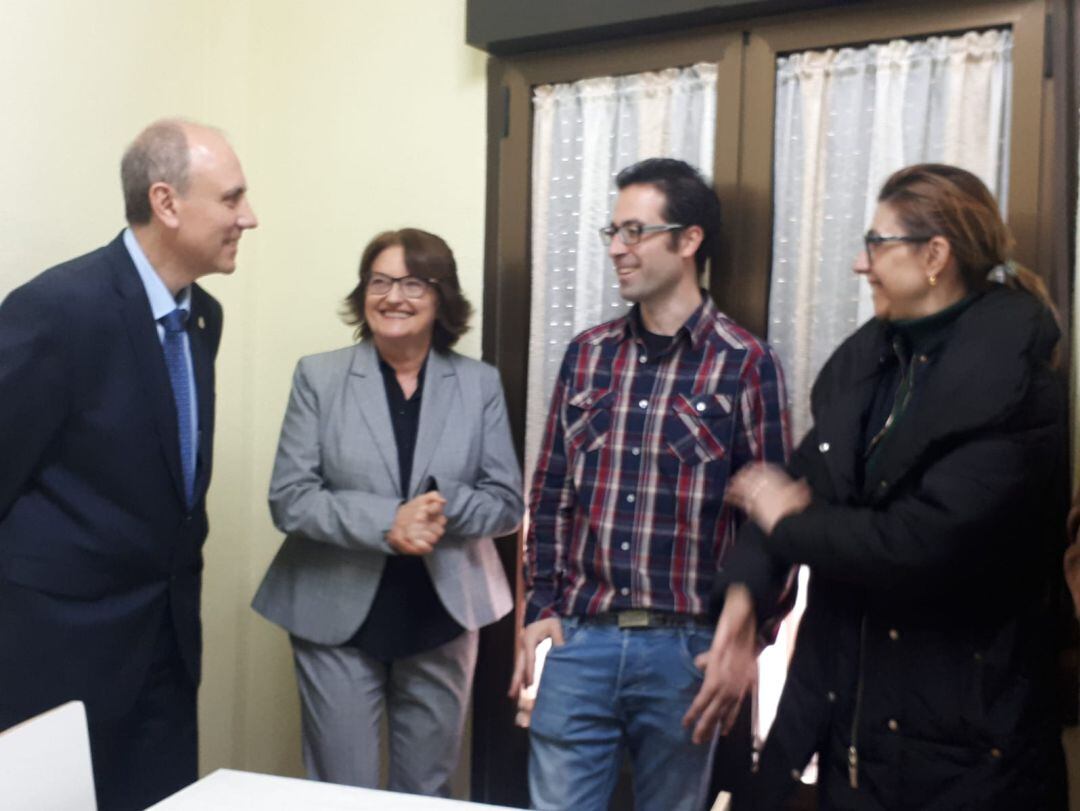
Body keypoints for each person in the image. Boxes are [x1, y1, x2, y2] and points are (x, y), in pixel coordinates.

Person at [687, 163, 1069, 809]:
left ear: (935, 256)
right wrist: (742, 603)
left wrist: (787, 519)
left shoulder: (1018, 387)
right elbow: (798, 483)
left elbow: (916, 544)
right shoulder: (872, 364)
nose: (862, 265)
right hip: (855, 737)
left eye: (877, 243)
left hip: (969, 755)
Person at [510, 158, 791, 811]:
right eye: (612, 231)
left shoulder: (747, 363)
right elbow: (551, 490)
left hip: (687, 648)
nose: (616, 248)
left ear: (688, 240)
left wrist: (748, 638)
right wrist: (541, 605)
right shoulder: (587, 354)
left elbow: (774, 521)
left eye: (634, 231)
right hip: (582, 639)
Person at [0, 119, 257, 810]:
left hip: (166, 655)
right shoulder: (57, 310)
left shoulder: (205, 317)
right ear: (167, 203)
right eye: (232, 199)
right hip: (58, 662)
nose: (249, 217)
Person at [252, 228, 522, 796]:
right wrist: (389, 522)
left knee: (425, 791)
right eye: (379, 281)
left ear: (441, 297)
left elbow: (506, 504)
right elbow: (290, 498)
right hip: (335, 614)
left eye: (413, 283)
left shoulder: (479, 384)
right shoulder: (319, 377)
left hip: (444, 614)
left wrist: (441, 503)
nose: (392, 296)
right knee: (340, 791)